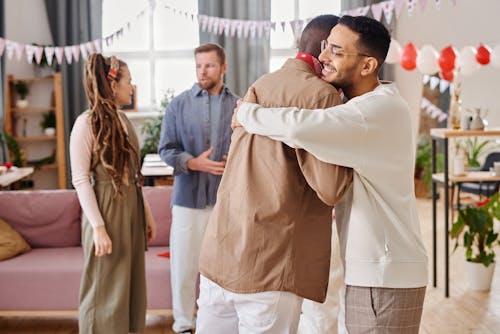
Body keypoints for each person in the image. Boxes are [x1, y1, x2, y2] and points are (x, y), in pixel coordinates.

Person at [235, 15, 429, 333]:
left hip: (383, 274)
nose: (322, 57)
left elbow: (302, 125)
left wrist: (246, 112)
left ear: (367, 66)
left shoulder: (374, 112)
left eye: (336, 51)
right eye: (326, 46)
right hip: (380, 271)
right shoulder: (374, 105)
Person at [196, 15, 353, 334]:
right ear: (326, 50)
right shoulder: (322, 96)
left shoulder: (260, 84)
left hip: (220, 252)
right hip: (269, 260)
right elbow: (331, 188)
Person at [70, 53, 157, 333]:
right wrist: (98, 227)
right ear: (112, 84)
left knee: (129, 285)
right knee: (103, 286)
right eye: (129, 81)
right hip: (105, 211)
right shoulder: (85, 124)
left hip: (130, 207)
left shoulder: (123, 119)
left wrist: (146, 212)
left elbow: (132, 174)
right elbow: (81, 179)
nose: (132, 87)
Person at [158, 43, 238, 334]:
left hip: (225, 203)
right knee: (183, 268)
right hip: (188, 201)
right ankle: (183, 325)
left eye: (209, 65)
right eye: (198, 66)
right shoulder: (178, 105)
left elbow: (249, 151)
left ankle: (218, 325)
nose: (203, 71)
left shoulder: (239, 106)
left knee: (223, 269)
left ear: (223, 68)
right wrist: (194, 163)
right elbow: (166, 149)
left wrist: (237, 161)